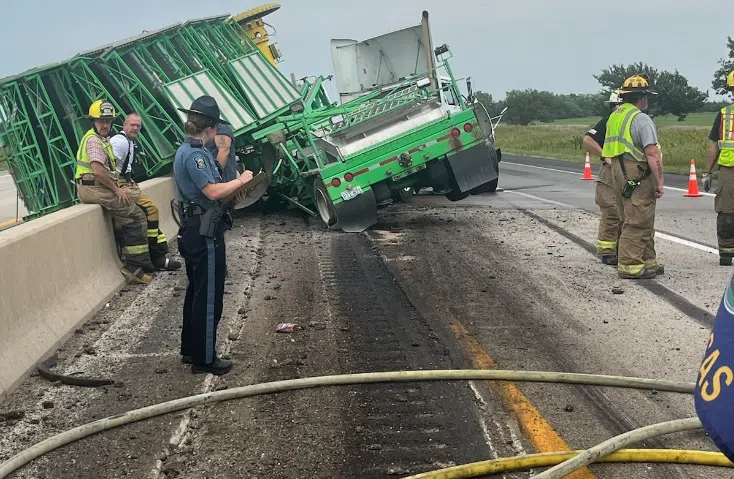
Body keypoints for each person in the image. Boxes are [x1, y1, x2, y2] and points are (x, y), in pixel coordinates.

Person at [173, 95, 254, 375]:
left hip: (194, 226)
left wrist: (232, 185)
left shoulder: (189, 150)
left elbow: (216, 181)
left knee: (195, 291)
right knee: (209, 295)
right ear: (209, 128)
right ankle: (205, 359)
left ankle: (189, 349)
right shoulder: (195, 155)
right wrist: (241, 180)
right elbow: (211, 191)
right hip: (204, 228)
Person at [75, 100, 154, 284]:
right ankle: (133, 268)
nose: (105, 125)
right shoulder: (94, 141)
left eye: (108, 121)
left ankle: (131, 259)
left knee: (125, 218)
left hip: (94, 186)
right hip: (93, 187)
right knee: (136, 217)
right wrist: (117, 189)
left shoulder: (102, 140)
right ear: (93, 122)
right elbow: (98, 171)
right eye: (101, 121)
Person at [601, 74, 665, 280]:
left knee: (635, 217)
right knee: (638, 220)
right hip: (638, 173)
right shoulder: (641, 119)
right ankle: (630, 265)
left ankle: (648, 261)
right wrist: (660, 181)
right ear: (643, 98)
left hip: (618, 171)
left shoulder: (616, 116)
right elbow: (652, 153)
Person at [110, 112, 181, 271]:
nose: (135, 128)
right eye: (132, 125)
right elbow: (109, 166)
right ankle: (157, 256)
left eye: (138, 126)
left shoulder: (128, 142)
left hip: (127, 183)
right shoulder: (120, 142)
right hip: (122, 185)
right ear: (124, 125)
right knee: (151, 210)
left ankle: (158, 256)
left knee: (148, 216)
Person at [583, 90, 624, 265]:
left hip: (630, 172)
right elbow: (588, 140)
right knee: (611, 210)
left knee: (628, 212)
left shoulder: (637, 122)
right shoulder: (608, 122)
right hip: (610, 172)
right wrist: (605, 156)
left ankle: (624, 249)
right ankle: (607, 251)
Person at [702, 70, 734, 266]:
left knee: (727, 212)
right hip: (728, 169)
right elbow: (715, 146)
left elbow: (713, 146)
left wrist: (707, 172)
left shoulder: (724, 114)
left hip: (728, 172)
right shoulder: (724, 115)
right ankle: (726, 252)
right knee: (727, 212)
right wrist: (707, 171)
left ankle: (726, 251)